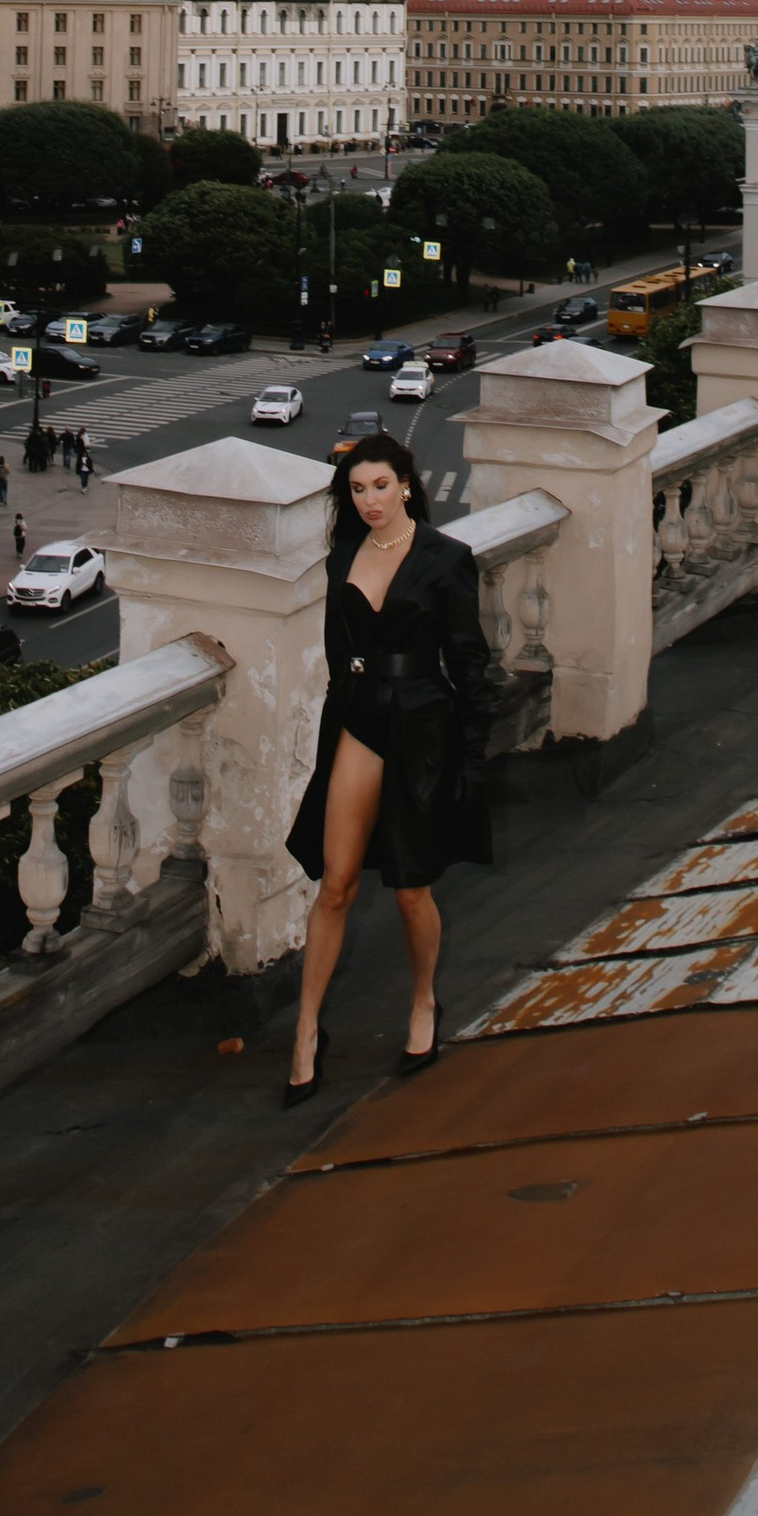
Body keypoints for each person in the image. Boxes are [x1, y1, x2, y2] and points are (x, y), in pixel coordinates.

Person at [283, 430, 492, 1106]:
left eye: (380, 486)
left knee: (409, 889)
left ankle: (424, 1001)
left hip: (422, 723)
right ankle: (307, 1031)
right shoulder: (343, 553)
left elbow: (470, 666)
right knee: (336, 882)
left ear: (406, 483)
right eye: (357, 489)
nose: (370, 500)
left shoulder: (446, 559)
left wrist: (470, 758)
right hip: (357, 717)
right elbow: (335, 650)